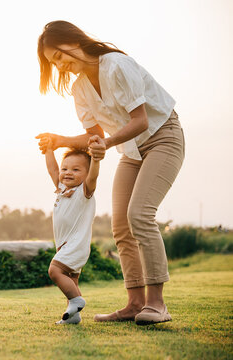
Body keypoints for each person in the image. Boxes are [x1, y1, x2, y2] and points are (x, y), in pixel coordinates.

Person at [35, 21, 184, 325]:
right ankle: (134, 303)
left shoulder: (116, 65)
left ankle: (157, 304)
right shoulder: (79, 89)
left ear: (73, 41)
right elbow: (94, 136)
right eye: (54, 63)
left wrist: (107, 142)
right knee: (120, 225)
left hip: (162, 136)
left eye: (59, 57)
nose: (61, 66)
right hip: (131, 150)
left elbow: (140, 120)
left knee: (140, 215)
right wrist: (60, 140)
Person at [42, 146, 102, 325]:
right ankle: (73, 316)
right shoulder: (61, 188)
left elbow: (94, 176)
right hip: (65, 244)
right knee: (71, 281)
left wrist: (96, 160)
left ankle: (77, 301)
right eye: (65, 169)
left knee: (55, 271)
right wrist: (48, 150)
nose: (68, 173)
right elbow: (53, 169)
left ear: (87, 173)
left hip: (76, 244)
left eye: (76, 170)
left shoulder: (85, 191)